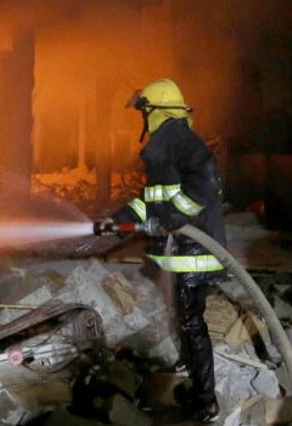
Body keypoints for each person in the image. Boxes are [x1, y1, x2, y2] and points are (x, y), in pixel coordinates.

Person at [96, 77, 227, 422]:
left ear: (154, 111)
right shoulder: (166, 146)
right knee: (182, 318)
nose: (143, 120)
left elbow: (205, 180)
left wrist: (171, 217)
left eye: (144, 112)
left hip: (195, 254)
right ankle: (190, 370)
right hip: (180, 253)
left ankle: (205, 400)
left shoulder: (180, 142)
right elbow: (150, 202)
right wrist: (117, 220)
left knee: (191, 322)